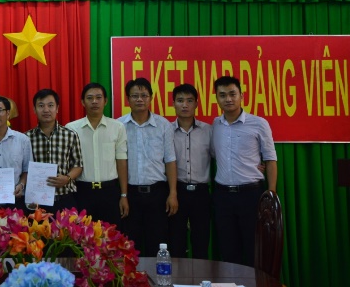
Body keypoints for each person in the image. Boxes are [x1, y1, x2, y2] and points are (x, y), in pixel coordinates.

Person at [212, 76, 278, 266]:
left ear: (242, 95)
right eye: (222, 95)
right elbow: (214, 154)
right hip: (223, 197)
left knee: (253, 249)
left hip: (251, 195)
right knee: (228, 250)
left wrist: (271, 194)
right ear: (217, 99)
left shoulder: (259, 123)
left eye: (232, 94)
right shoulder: (215, 124)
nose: (228, 99)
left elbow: (270, 159)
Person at [118, 78, 178, 257]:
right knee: (130, 246)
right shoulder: (119, 126)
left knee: (158, 244)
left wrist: (173, 193)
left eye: (144, 95)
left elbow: (170, 160)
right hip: (130, 194)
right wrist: (123, 195)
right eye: (135, 96)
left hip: (157, 194)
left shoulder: (163, 125)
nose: (139, 99)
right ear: (128, 99)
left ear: (151, 97)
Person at [65, 83, 128, 226]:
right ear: (82, 102)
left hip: (110, 192)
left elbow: (121, 162)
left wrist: (124, 195)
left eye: (98, 97)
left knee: (110, 235)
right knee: (81, 235)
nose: (94, 101)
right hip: (82, 192)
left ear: (105, 101)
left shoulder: (117, 127)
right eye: (90, 98)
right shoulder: (71, 128)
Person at [167, 84, 213, 259]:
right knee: (176, 243)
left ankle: (201, 276)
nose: (185, 105)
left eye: (189, 101)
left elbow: (223, 155)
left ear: (196, 104)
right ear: (173, 104)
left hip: (201, 193)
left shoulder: (208, 130)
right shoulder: (166, 131)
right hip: (176, 192)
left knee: (201, 242)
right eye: (180, 101)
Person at [26, 89, 83, 213]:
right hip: (36, 201)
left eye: (50, 105)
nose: (46, 110)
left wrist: (67, 178)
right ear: (34, 109)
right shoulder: (26, 138)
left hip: (64, 198)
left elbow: (78, 165)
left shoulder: (70, 135)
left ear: (57, 108)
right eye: (41, 106)